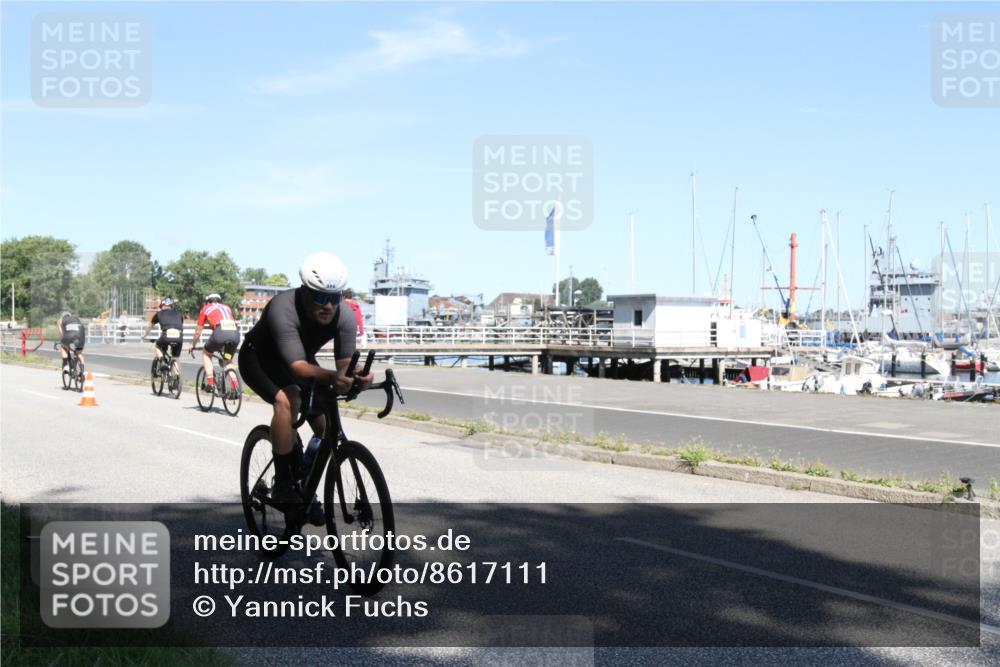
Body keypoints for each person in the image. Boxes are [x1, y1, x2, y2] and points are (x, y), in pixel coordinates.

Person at [239, 252, 372, 518]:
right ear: (304, 291)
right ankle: (285, 485)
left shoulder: (344, 315)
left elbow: (343, 368)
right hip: (260, 358)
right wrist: (333, 377)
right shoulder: (282, 307)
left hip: (298, 358)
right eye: (320, 297)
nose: (328, 306)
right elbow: (298, 368)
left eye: (334, 298)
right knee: (288, 400)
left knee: (326, 426)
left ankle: (304, 486)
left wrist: (358, 377)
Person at [189, 293, 240, 391]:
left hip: (220, 333)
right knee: (228, 360)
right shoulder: (227, 307)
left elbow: (198, 331)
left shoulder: (206, 308)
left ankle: (210, 383)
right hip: (235, 334)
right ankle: (234, 388)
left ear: (208, 301)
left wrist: (193, 344)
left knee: (206, 353)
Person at [143, 298, 184, 369]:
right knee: (175, 357)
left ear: (162, 306)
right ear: (172, 306)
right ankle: (177, 375)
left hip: (166, 336)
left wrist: (144, 335)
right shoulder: (179, 313)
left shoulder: (159, 314)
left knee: (157, 346)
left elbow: (150, 326)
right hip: (179, 337)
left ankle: (162, 361)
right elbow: (180, 325)